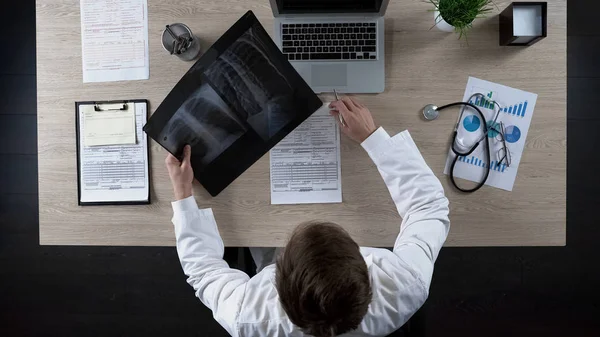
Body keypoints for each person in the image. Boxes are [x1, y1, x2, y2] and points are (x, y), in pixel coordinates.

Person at [165, 96, 450, 337]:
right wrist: (373, 138)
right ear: (362, 262)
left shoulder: (247, 314)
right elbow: (428, 207)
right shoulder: (405, 286)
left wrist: (183, 193)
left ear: (277, 280)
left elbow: (204, 272)